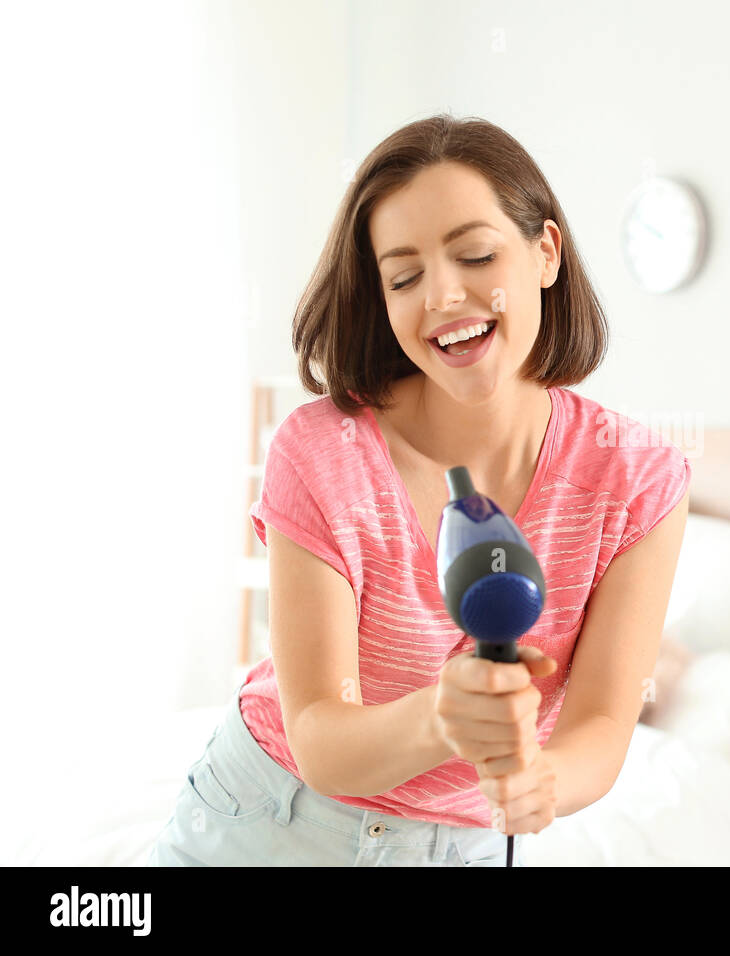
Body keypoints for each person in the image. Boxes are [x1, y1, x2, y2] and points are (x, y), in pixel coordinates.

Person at [148, 114, 691, 866]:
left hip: (461, 849)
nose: (441, 294)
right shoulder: (321, 453)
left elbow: (600, 723)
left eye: (474, 254)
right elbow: (321, 741)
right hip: (267, 823)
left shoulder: (637, 478)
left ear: (545, 253)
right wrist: (445, 714)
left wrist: (545, 781)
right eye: (403, 276)